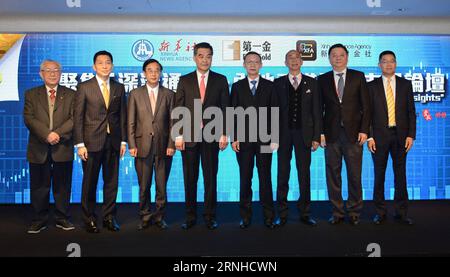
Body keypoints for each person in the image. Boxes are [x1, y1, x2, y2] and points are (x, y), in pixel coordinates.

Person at [174, 42, 229, 230]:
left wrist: (224, 133)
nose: (205, 60)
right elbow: (178, 108)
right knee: (190, 178)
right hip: (189, 137)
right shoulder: (185, 80)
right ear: (195, 57)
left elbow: (225, 108)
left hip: (212, 137)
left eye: (208, 56)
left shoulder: (220, 80)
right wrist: (178, 135)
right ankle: (190, 216)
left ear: (212, 58)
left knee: (210, 178)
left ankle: (210, 216)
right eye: (201, 56)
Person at [74, 50, 127, 233]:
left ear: (112, 65)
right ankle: (89, 219)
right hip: (91, 143)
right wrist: (80, 144)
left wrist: (123, 142)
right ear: (94, 66)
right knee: (89, 183)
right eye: (101, 63)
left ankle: (109, 218)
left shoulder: (119, 88)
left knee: (111, 182)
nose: (105, 66)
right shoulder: (84, 87)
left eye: (108, 62)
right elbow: (78, 117)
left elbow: (122, 116)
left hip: (113, 142)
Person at [318, 43, 370, 225]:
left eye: (341, 55)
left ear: (347, 57)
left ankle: (355, 211)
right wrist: (320, 133)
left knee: (355, 175)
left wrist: (365, 130)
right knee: (333, 175)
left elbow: (366, 107)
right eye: (334, 55)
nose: (337, 58)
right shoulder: (322, 79)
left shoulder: (358, 77)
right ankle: (337, 212)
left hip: (354, 134)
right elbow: (318, 110)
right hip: (331, 135)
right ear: (329, 58)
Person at [24, 59, 75, 234]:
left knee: (63, 186)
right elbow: (29, 119)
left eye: (56, 70)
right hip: (39, 148)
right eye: (48, 70)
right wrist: (47, 134)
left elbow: (74, 119)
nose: (53, 73)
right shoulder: (31, 94)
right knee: (39, 186)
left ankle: (62, 218)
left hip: (62, 147)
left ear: (60, 74)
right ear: (41, 74)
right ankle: (39, 220)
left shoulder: (71, 94)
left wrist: (57, 134)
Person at [367, 50, 416, 225]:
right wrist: (369, 137)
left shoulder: (405, 85)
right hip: (379, 137)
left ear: (396, 64)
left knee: (400, 175)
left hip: (401, 136)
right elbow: (367, 114)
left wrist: (411, 135)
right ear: (379, 65)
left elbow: (411, 112)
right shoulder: (371, 86)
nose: (388, 64)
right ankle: (380, 212)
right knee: (379, 175)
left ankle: (401, 213)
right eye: (385, 61)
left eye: (392, 61)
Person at [274, 50, 321, 227]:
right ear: (285, 62)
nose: (294, 61)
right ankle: (282, 214)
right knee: (282, 175)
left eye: (297, 58)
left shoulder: (312, 83)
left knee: (304, 174)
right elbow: (273, 112)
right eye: (290, 58)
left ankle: (305, 213)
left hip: (304, 135)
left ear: (302, 61)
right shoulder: (277, 83)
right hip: (283, 135)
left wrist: (316, 136)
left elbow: (317, 111)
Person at [231, 51, 278, 229]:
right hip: (243, 141)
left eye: (256, 62)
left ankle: (268, 217)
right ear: (244, 65)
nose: (252, 64)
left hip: (265, 140)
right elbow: (232, 113)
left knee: (265, 177)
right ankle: (245, 216)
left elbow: (275, 113)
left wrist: (274, 138)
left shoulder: (270, 86)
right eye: (249, 62)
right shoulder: (237, 87)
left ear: (261, 65)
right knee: (245, 178)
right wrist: (234, 137)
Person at [128, 59, 175, 230]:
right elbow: (130, 122)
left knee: (161, 185)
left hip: (164, 147)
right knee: (144, 185)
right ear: (144, 74)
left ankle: (160, 216)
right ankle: (145, 215)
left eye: (157, 70)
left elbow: (173, 122)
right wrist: (132, 144)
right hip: (142, 146)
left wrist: (171, 144)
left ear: (161, 73)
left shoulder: (169, 94)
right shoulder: (135, 94)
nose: (154, 74)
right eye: (150, 70)